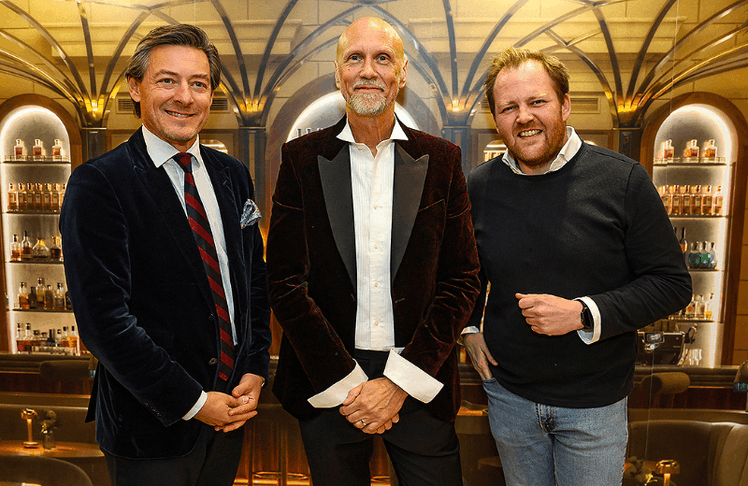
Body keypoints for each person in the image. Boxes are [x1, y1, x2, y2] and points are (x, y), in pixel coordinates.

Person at [265, 16, 481, 486]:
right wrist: (348, 381)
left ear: (401, 74)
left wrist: (400, 381)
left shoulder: (442, 160)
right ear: (338, 74)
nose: (368, 70)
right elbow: (283, 281)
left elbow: (462, 279)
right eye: (354, 58)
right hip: (329, 382)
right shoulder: (301, 160)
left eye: (382, 58)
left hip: (421, 378)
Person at [463, 48, 692, 486]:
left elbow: (671, 284)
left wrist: (583, 313)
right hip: (509, 398)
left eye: (537, 102)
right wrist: (469, 329)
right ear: (497, 119)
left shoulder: (623, 180)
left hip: (595, 405)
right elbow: (467, 273)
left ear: (565, 105)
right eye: (509, 107)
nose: (524, 117)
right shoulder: (479, 186)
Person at [59, 24, 272, 486]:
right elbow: (104, 322)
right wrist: (194, 402)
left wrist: (255, 368)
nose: (185, 97)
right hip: (149, 429)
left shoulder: (232, 174)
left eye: (198, 84)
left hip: (232, 413)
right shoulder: (100, 183)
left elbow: (253, 282)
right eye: (167, 81)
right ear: (135, 88)